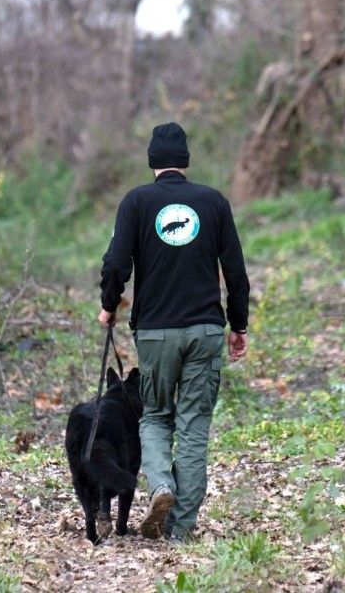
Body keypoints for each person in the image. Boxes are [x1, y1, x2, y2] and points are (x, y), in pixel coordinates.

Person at [97, 122, 250, 541]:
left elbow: (115, 265)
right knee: (195, 423)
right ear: (185, 161)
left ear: (152, 163)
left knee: (156, 416)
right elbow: (235, 271)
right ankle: (181, 529)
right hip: (204, 330)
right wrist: (239, 324)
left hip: (156, 332)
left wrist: (109, 304)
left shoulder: (136, 203)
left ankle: (161, 484)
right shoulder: (213, 202)